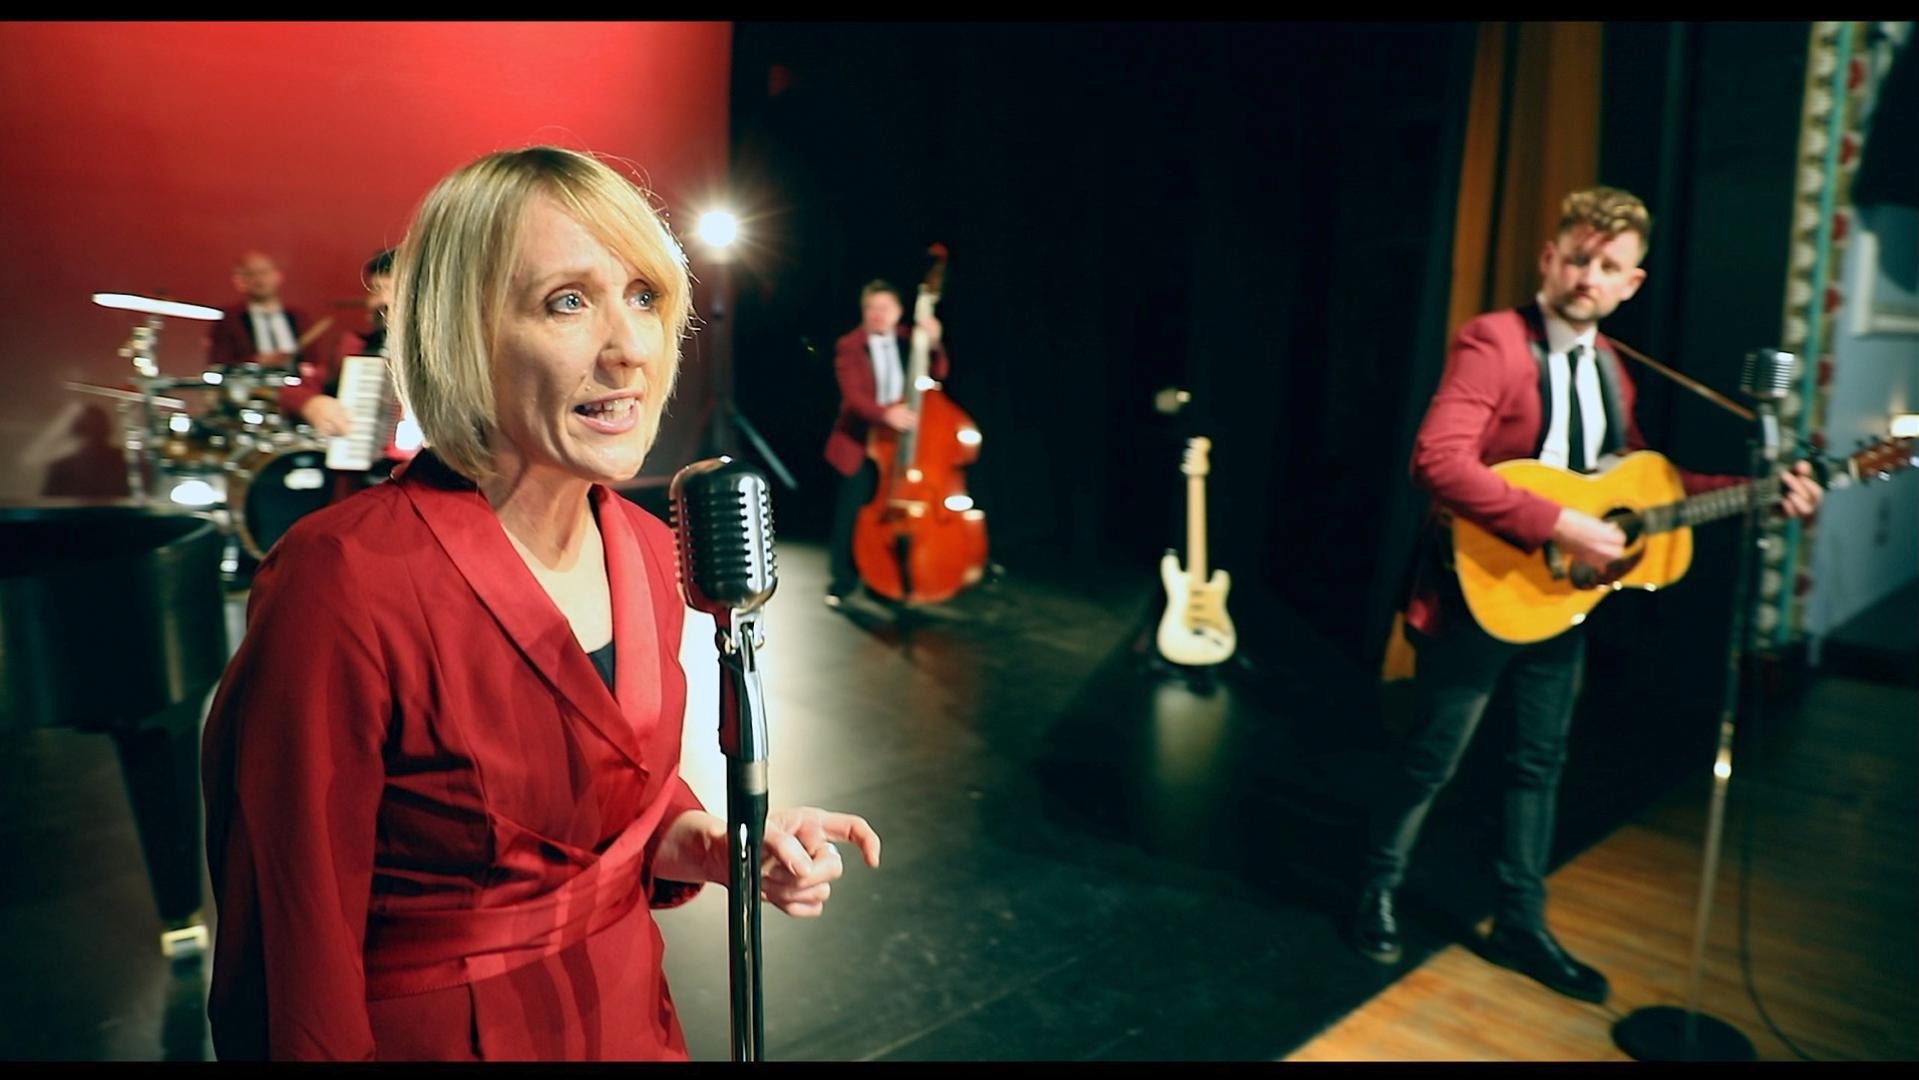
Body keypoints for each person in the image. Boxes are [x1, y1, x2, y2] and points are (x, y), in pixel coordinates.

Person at [201, 146, 882, 1061]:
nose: (630, 348)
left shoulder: (649, 550)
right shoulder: (344, 581)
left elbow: (610, 818)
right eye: (568, 301)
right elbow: (291, 950)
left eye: (643, 296)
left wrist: (717, 846)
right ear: (460, 332)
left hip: (633, 1023)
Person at [1350, 186, 1823, 1003]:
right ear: (1547, 257)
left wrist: (1756, 489)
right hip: (1480, 588)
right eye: (1575, 257)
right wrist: (1558, 524)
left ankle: (1521, 919)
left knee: (1539, 761)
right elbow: (1436, 461)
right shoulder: (1492, 342)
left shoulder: (1611, 369)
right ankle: (1375, 888)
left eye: (1606, 267)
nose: (1585, 276)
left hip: (1559, 600)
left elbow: (1640, 487)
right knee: (1433, 757)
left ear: (1629, 284)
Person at [821, 278, 947, 606]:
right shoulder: (850, 345)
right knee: (853, 514)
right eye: (871, 308)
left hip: (900, 445)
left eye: (885, 308)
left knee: (892, 515)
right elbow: (854, 399)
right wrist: (886, 414)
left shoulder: (909, 341)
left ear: (898, 312)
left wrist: (933, 342)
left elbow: (939, 373)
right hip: (860, 442)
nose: (878, 315)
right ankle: (842, 583)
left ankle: (885, 581)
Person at [278, 248, 396, 440]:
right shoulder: (356, 348)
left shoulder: (452, 355)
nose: (384, 301)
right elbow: (295, 391)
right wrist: (313, 404)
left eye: (396, 290)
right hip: (376, 466)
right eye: (376, 291)